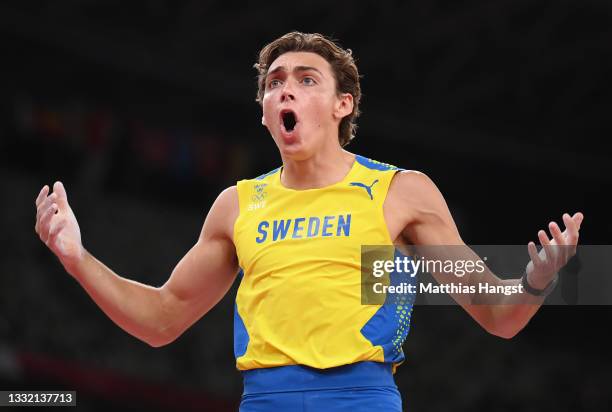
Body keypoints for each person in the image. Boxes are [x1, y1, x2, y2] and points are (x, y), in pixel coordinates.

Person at [34, 32, 583, 411]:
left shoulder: (400, 194)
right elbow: (162, 319)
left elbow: (498, 315)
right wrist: (77, 259)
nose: (285, 89)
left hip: (361, 399)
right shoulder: (238, 205)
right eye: (274, 83)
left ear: (343, 104)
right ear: (267, 111)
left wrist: (536, 280)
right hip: (264, 400)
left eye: (305, 79)